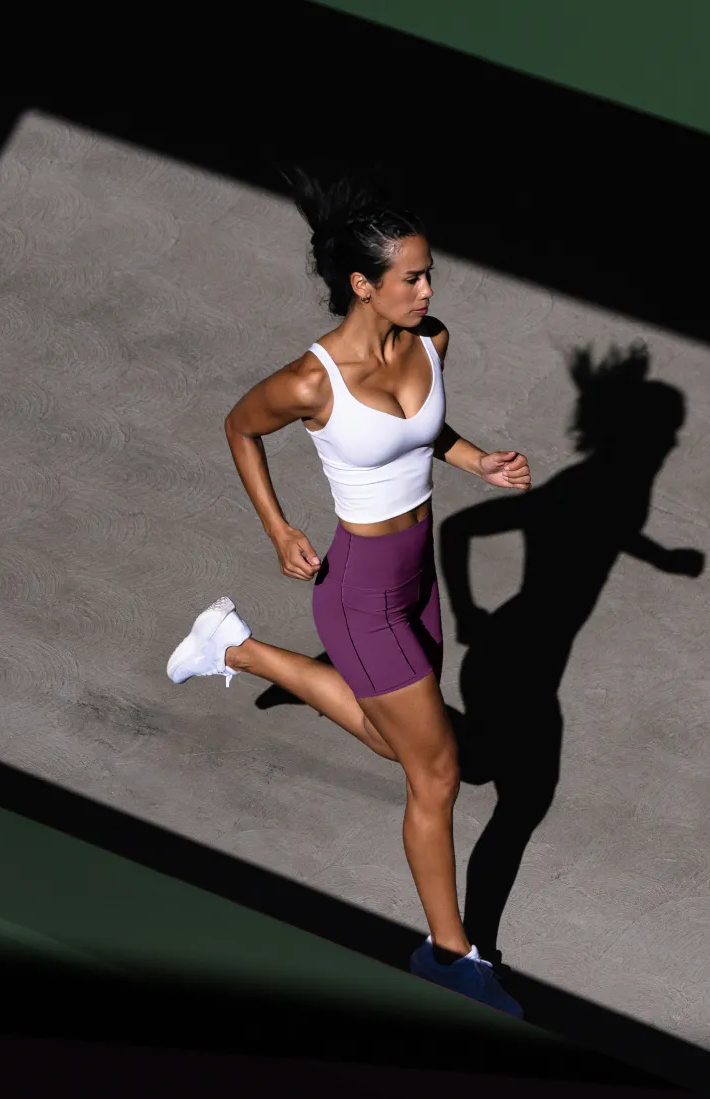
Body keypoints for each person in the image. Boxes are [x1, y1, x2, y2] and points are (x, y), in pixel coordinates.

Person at [167, 169, 531, 1016]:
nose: (428, 289)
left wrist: (475, 459)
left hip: (418, 573)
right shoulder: (310, 380)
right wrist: (280, 528)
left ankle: (234, 645)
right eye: (411, 276)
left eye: (428, 271)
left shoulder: (432, 340)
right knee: (435, 772)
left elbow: (423, 428)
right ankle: (451, 954)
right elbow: (239, 427)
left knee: (391, 741)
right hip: (358, 591)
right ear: (362, 284)